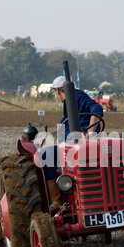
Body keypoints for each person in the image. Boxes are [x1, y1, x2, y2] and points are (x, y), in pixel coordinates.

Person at [42, 75, 103, 210]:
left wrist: (90, 134)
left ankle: (57, 201)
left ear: (57, 91)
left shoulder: (77, 97)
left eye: (55, 92)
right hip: (72, 143)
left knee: (45, 156)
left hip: (77, 145)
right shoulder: (69, 101)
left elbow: (97, 109)